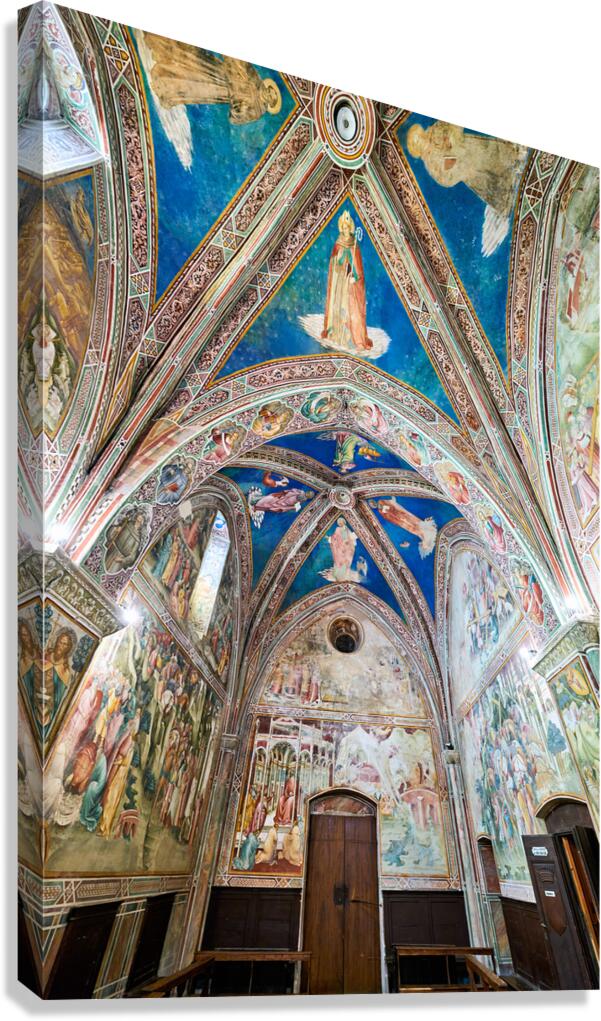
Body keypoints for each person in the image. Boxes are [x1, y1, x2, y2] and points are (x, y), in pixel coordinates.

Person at [142, 32, 282, 123]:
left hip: (220, 88)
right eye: (271, 91)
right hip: (218, 69)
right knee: (192, 57)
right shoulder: (255, 78)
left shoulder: (256, 111)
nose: (269, 94)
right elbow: (239, 64)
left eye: (271, 97)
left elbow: (235, 118)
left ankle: (165, 81)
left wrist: (239, 100)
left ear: (270, 103)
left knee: (192, 82)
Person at [321, 210, 372, 353]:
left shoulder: (355, 245)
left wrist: (355, 277)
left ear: (350, 228)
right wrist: (339, 259)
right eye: (343, 228)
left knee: (352, 310)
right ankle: (338, 335)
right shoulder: (338, 244)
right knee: (339, 307)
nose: (345, 230)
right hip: (340, 283)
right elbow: (334, 264)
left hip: (351, 285)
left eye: (347, 228)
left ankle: (355, 338)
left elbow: (358, 268)